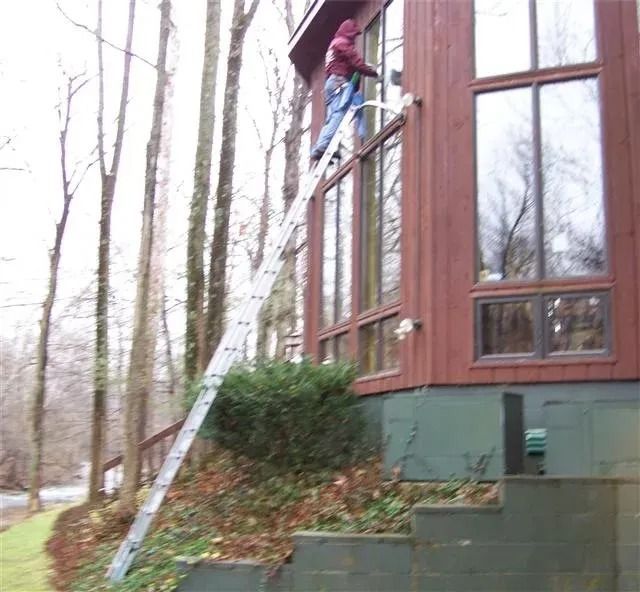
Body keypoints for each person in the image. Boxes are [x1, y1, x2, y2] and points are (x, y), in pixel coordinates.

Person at [310, 19, 379, 162]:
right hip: (338, 83)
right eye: (353, 35)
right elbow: (356, 62)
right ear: (348, 32)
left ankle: (324, 148)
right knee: (338, 115)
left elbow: (348, 65)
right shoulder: (342, 43)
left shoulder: (334, 45)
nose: (354, 38)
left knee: (333, 118)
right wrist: (373, 72)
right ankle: (323, 146)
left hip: (332, 83)